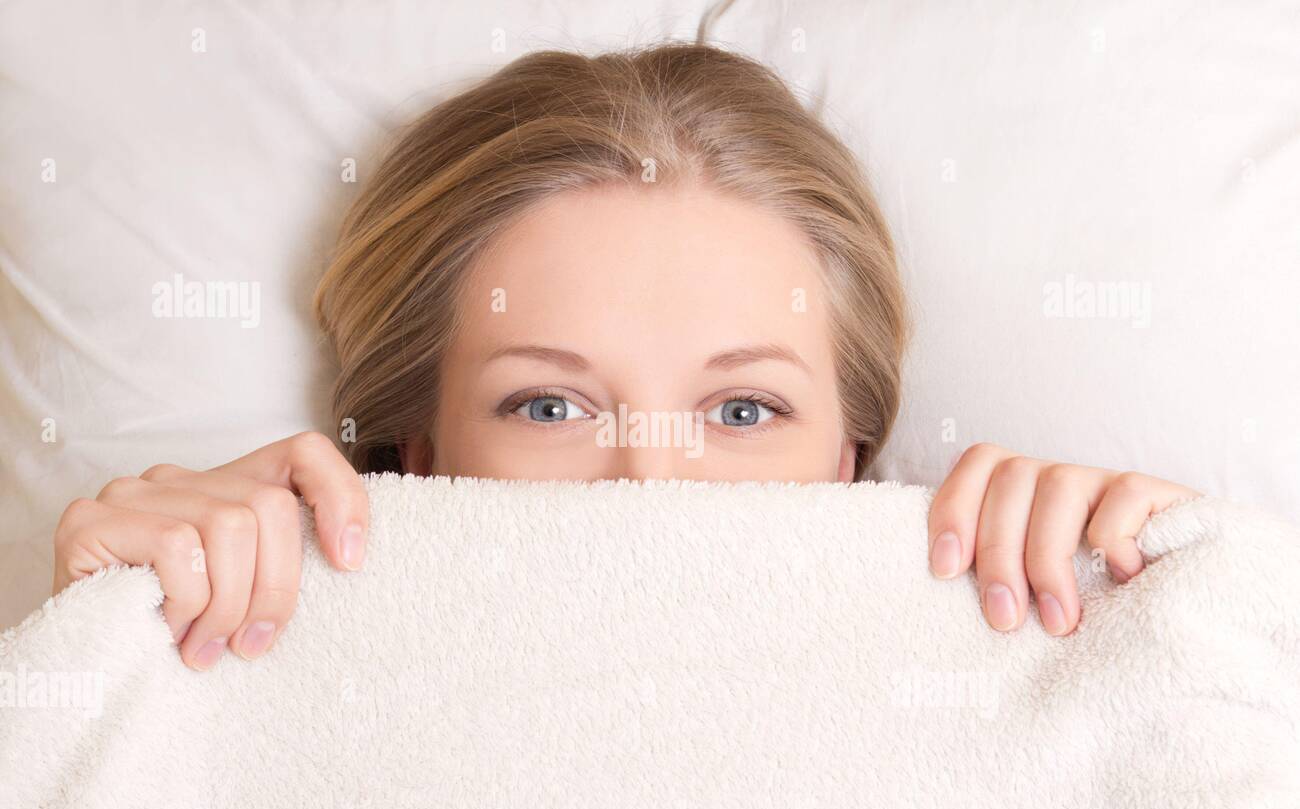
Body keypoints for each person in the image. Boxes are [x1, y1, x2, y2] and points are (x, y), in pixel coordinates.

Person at [50, 44, 1198, 671]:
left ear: (852, 457)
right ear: (416, 449)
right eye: (548, 405)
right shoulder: (224, 663)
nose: (652, 489)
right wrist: (96, 662)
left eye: (743, 410)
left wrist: (1180, 611)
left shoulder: (1035, 656)